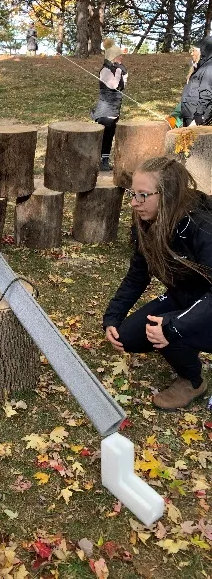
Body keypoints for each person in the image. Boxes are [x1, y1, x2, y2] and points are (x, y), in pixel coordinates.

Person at [103, 156, 211, 410]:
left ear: (168, 195)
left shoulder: (203, 228)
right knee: (128, 336)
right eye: (133, 193)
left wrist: (174, 326)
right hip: (185, 297)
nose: (134, 203)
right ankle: (184, 339)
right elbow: (137, 275)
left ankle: (192, 380)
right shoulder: (148, 223)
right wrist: (113, 316)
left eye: (142, 195)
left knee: (163, 330)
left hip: (207, 303)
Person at [91, 39, 128, 171]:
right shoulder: (105, 70)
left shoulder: (115, 68)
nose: (122, 57)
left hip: (114, 109)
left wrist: (123, 72)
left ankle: (104, 161)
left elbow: (122, 85)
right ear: (113, 57)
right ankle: (101, 162)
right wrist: (118, 71)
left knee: (110, 136)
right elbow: (113, 85)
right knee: (105, 136)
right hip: (106, 110)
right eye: (119, 55)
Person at [181, 36, 212, 127]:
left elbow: (206, 93)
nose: (191, 53)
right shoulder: (201, 68)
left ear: (201, 52)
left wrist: (199, 116)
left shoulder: (209, 68)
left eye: (194, 50)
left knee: (195, 141)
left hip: (195, 117)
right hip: (189, 114)